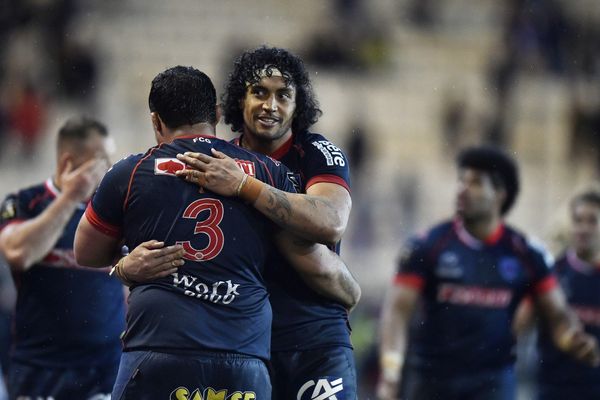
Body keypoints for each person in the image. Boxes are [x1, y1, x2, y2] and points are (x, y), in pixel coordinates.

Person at [74, 66, 360, 399]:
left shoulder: (130, 171)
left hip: (157, 348)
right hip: (242, 357)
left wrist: (124, 265)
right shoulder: (268, 172)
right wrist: (350, 291)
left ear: (155, 122)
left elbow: (85, 252)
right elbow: (313, 258)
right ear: (219, 114)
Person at [172, 46, 357, 399]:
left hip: (315, 336)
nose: (270, 106)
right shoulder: (217, 159)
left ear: (297, 105)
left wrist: (244, 186)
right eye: (259, 92)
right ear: (239, 99)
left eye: (283, 95)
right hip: (240, 341)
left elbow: (331, 220)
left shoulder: (316, 152)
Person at [376, 145, 600, 400]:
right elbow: (396, 311)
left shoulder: (525, 254)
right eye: (462, 180)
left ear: (500, 194)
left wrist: (572, 339)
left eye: (476, 182)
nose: (463, 189)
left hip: (492, 384)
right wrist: (391, 374)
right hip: (431, 382)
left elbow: (557, 314)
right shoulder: (428, 246)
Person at [0, 116, 124, 400]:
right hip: (41, 369)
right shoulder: (24, 203)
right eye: (102, 160)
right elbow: (19, 254)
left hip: (105, 368)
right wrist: (70, 198)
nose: (111, 169)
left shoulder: (114, 210)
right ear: (69, 162)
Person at [519, 189, 600, 399]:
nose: (583, 228)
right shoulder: (550, 274)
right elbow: (521, 325)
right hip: (552, 389)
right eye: (578, 220)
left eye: (592, 221)